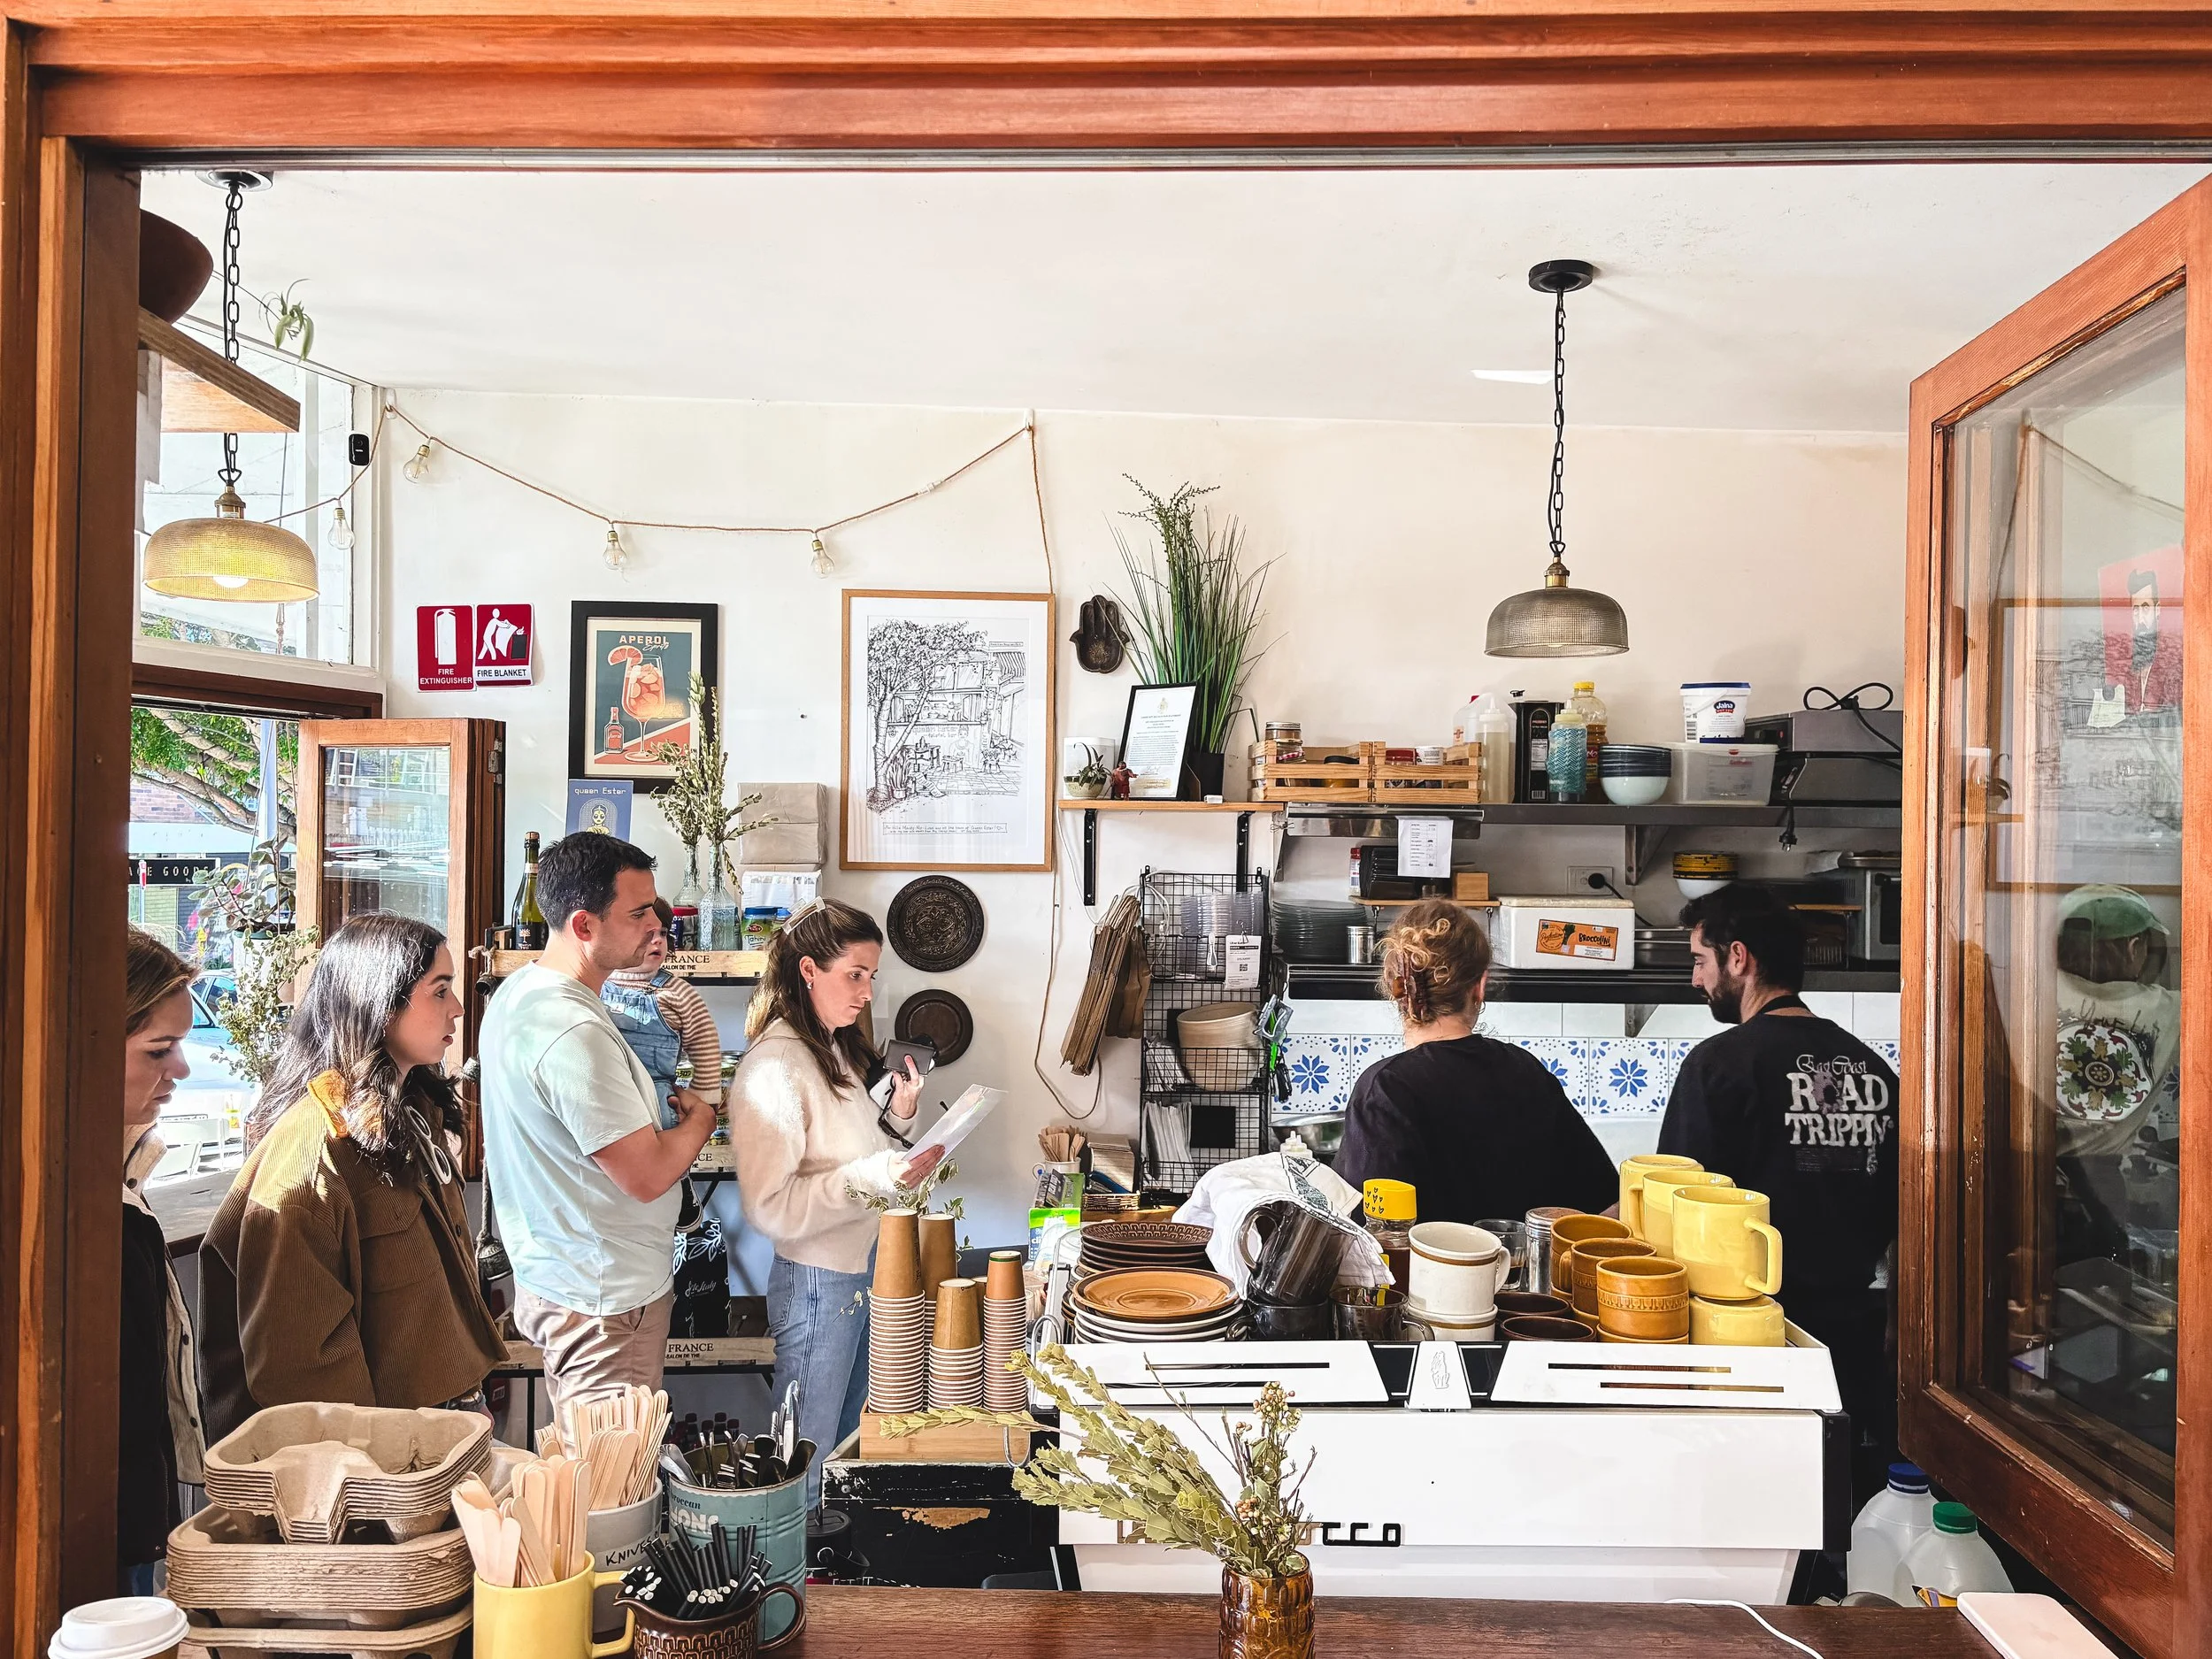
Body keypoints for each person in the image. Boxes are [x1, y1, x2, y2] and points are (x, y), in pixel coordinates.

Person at [199, 914, 505, 1440]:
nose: (457, 1007)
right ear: (380, 1005)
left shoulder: (407, 1112)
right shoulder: (313, 1154)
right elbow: (301, 1371)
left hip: (437, 1436)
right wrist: (386, 1473)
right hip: (379, 1476)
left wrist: (464, 1404)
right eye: (439, 990)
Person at [1655, 884, 1900, 1505]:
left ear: (1738, 957)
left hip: (1749, 1344)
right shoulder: (1873, 1069)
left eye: (1699, 961)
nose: (1695, 980)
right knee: (1841, 1513)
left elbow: (1672, 1213)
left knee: (1754, 1512)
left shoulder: (1719, 1065)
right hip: (1855, 1343)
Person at [480, 833, 716, 1413]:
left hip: (572, 1279)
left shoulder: (522, 993)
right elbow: (646, 1173)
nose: (652, 927)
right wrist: (702, 1118)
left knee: (584, 1477)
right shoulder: (572, 1031)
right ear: (584, 925)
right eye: (638, 914)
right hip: (604, 1302)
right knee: (611, 1490)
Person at [728, 899, 936, 1503]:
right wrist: (878, 1176)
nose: (867, 991)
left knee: (842, 1451)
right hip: (818, 1281)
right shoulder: (775, 1067)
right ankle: (795, 1588)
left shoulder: (836, 1050)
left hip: (859, 1271)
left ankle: (828, 1582)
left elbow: (863, 1151)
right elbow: (771, 1206)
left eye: (872, 975)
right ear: (808, 969)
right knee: (806, 1464)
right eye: (856, 973)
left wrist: (900, 1114)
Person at [1334, 899, 1617, 1222]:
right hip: (1524, 1271)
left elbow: (1362, 1237)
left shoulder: (1385, 1089)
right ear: (1480, 986)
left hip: (1423, 1274)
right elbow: (1605, 1203)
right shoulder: (1527, 1070)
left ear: (1394, 985)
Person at [119, 929, 209, 1593]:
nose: (179, 1068)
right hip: (99, 1515)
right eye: (159, 1048)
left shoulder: (122, 1173)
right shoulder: (62, 1206)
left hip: (137, 1511)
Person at [603, 897, 723, 1127]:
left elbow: (705, 1045)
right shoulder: (599, 985)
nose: (657, 940)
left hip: (658, 1104)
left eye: (663, 933)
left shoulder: (678, 993)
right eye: (648, 934)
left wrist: (702, 1101)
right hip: (608, 1100)